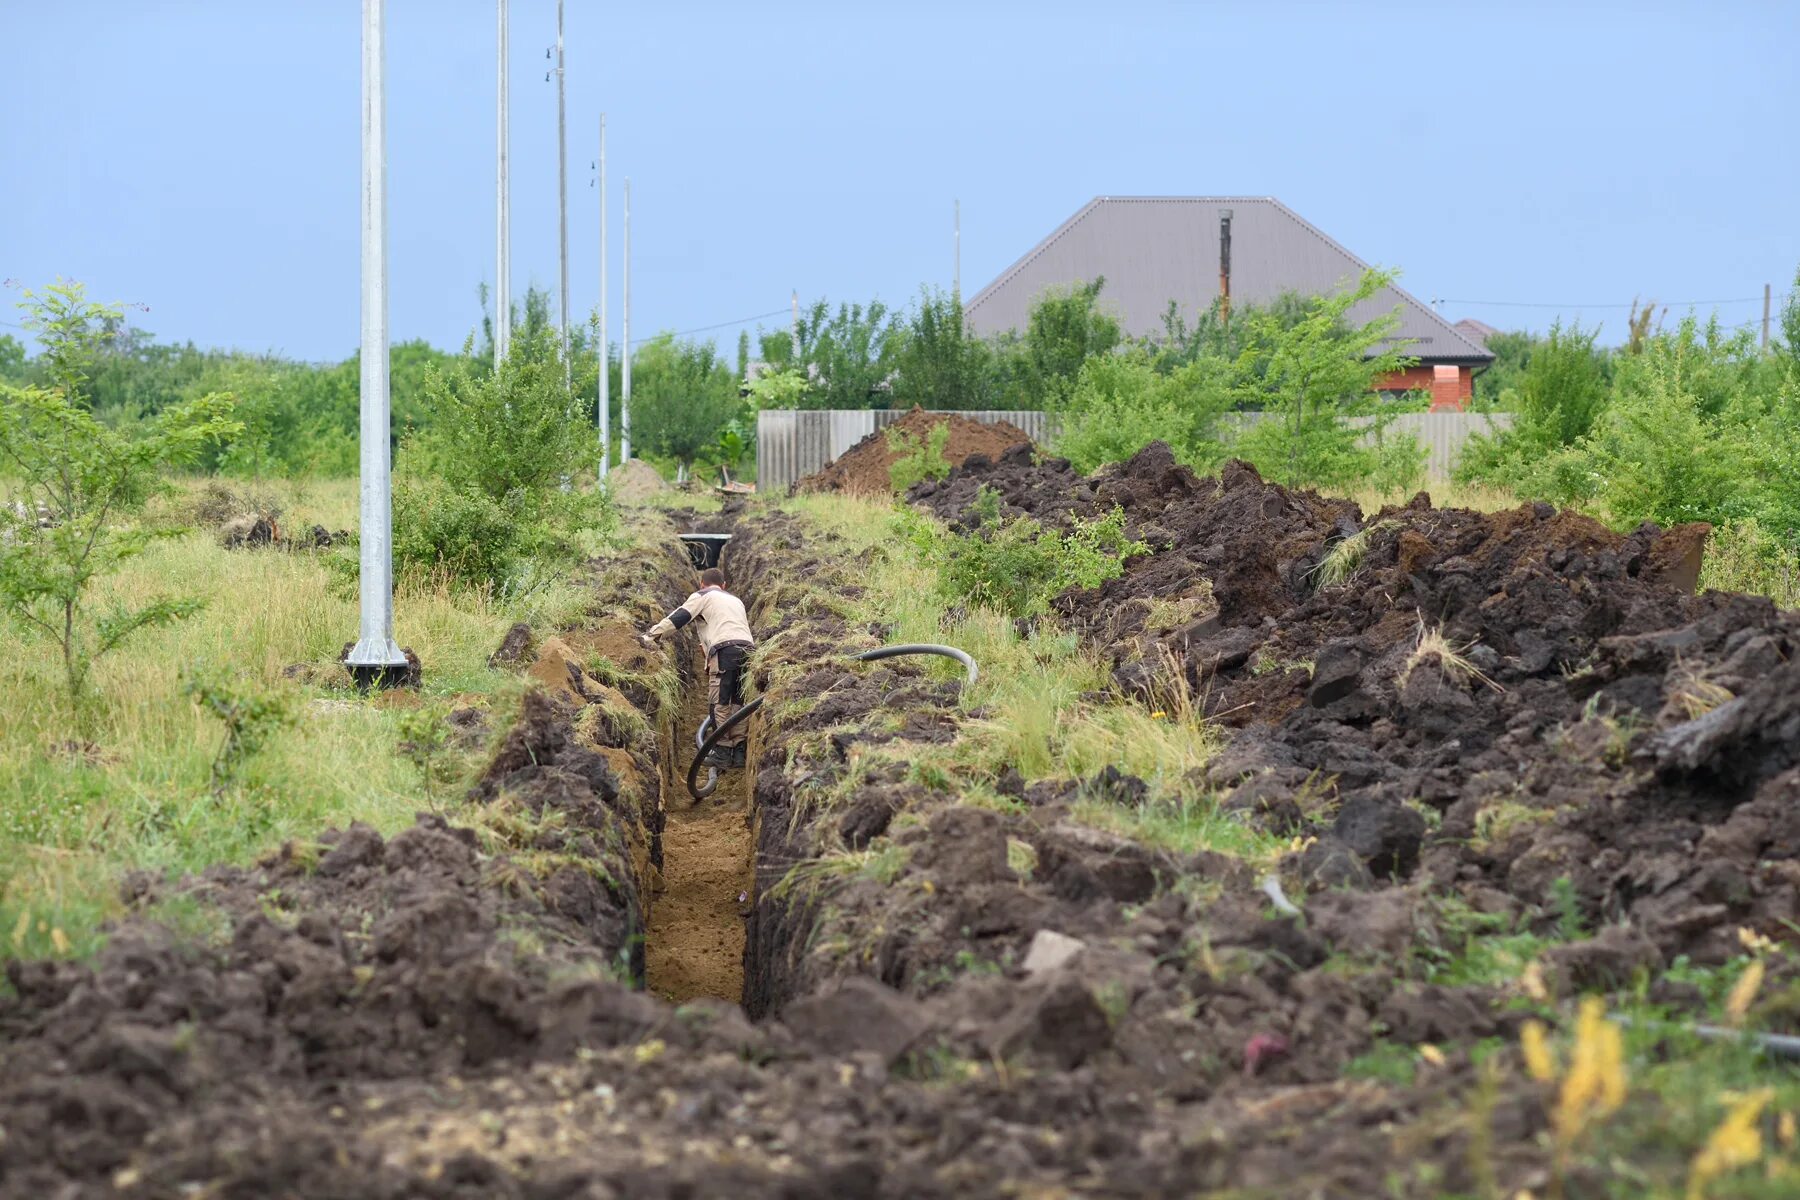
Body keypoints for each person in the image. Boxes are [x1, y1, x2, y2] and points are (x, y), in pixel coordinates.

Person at [640, 566, 756, 768]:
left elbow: (679, 617)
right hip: (748, 650)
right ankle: (739, 752)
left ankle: (722, 751)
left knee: (720, 700)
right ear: (724, 585)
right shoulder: (735, 600)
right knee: (738, 700)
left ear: (702, 584)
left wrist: (651, 636)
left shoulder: (703, 595)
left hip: (725, 649)